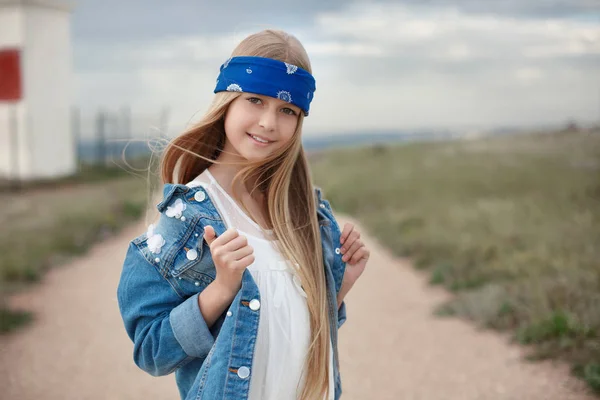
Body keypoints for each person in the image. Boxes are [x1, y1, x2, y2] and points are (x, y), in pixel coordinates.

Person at [117, 29, 370, 400]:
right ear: (227, 102)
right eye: (255, 100)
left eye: (287, 110)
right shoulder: (188, 218)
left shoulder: (305, 213)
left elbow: (295, 331)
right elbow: (152, 352)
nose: (269, 121)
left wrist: (341, 284)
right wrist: (221, 288)